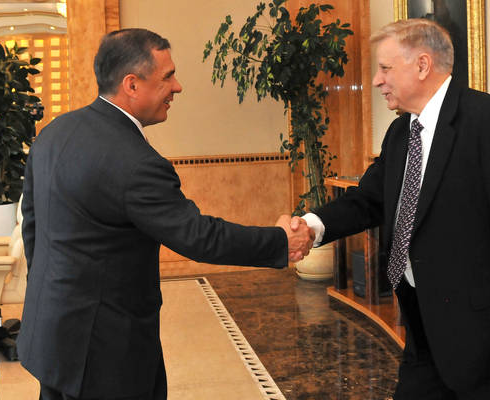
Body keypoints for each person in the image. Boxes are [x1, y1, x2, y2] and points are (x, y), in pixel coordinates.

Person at [18, 28, 313, 400]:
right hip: (104, 353)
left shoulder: (53, 133)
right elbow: (198, 236)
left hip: (50, 337)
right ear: (132, 84)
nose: (178, 87)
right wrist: (281, 241)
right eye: (168, 76)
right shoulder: (135, 162)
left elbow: (32, 226)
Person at [299, 19, 490, 399]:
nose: (376, 80)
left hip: (483, 338)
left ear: (422, 65)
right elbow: (368, 199)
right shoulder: (401, 132)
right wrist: (311, 226)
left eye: (385, 68)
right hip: (422, 329)